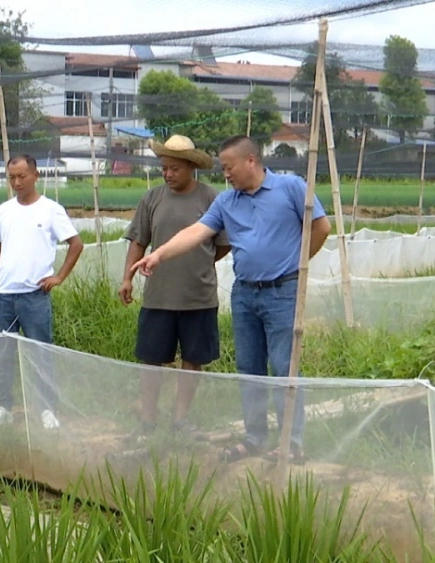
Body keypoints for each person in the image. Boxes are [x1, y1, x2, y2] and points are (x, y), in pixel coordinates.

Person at [129, 135, 332, 465]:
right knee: (248, 368)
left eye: (229, 167)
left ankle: (291, 443)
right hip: (245, 294)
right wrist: (159, 255)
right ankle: (255, 437)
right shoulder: (227, 202)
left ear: (250, 161)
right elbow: (195, 233)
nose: (226, 174)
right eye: (223, 169)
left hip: (283, 292)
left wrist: (298, 264)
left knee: (284, 367)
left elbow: (321, 227)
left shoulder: (291, 187)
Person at [118, 135, 230, 439]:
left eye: (174, 169)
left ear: (191, 167)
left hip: (198, 297)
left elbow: (222, 245)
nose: (168, 174)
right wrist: (127, 277)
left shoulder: (212, 199)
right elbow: (139, 240)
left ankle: (180, 419)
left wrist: (201, 261)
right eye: (164, 168)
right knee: (152, 359)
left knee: (192, 359)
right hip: (158, 296)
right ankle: (148, 421)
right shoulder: (152, 199)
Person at [0, 155, 84, 430]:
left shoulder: (51, 210)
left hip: (34, 296)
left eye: (22, 176)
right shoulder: (3, 211)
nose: (16, 182)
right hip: (4, 296)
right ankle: (4, 406)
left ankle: (47, 409)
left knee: (41, 354)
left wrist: (59, 276)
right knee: (2, 354)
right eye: (12, 177)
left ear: (36, 175)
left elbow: (76, 244)